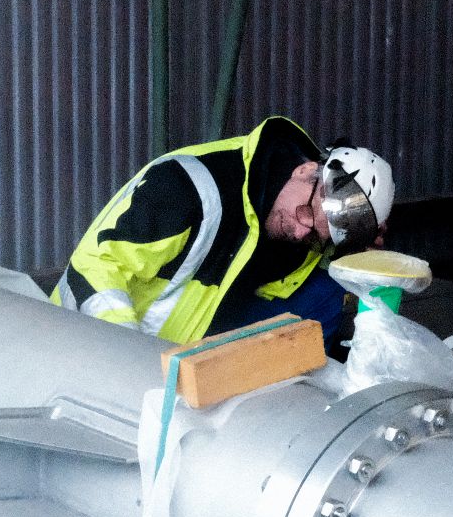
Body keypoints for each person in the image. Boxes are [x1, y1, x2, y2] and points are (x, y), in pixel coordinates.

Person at [52, 116, 395, 350]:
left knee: (325, 294)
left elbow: (328, 263)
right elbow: (95, 268)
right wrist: (131, 356)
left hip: (195, 342)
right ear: (307, 170)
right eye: (306, 212)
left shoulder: (304, 229)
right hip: (108, 347)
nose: (301, 229)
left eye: (316, 236)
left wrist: (359, 252)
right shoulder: (186, 187)